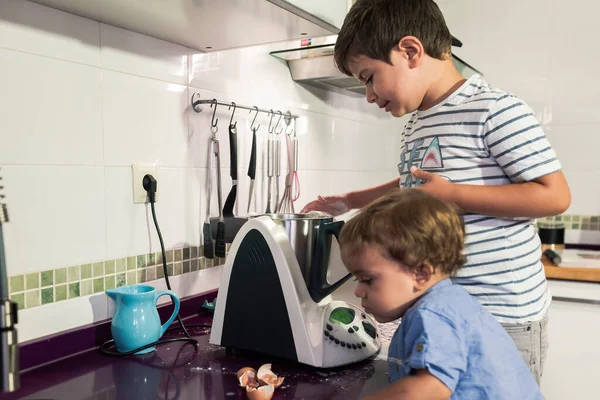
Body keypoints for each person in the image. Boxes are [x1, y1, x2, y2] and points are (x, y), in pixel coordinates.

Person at [301, 0, 571, 383]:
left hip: (500, 312)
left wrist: (455, 195)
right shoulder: (418, 123)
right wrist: (352, 200)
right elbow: (418, 185)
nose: (369, 95)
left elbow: (554, 195)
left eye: (368, 77)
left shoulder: (494, 109)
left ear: (410, 51)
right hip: (442, 310)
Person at [339, 189, 544, 399]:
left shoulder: (434, 314)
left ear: (421, 273)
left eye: (367, 280)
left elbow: (429, 390)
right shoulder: (447, 302)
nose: (358, 291)